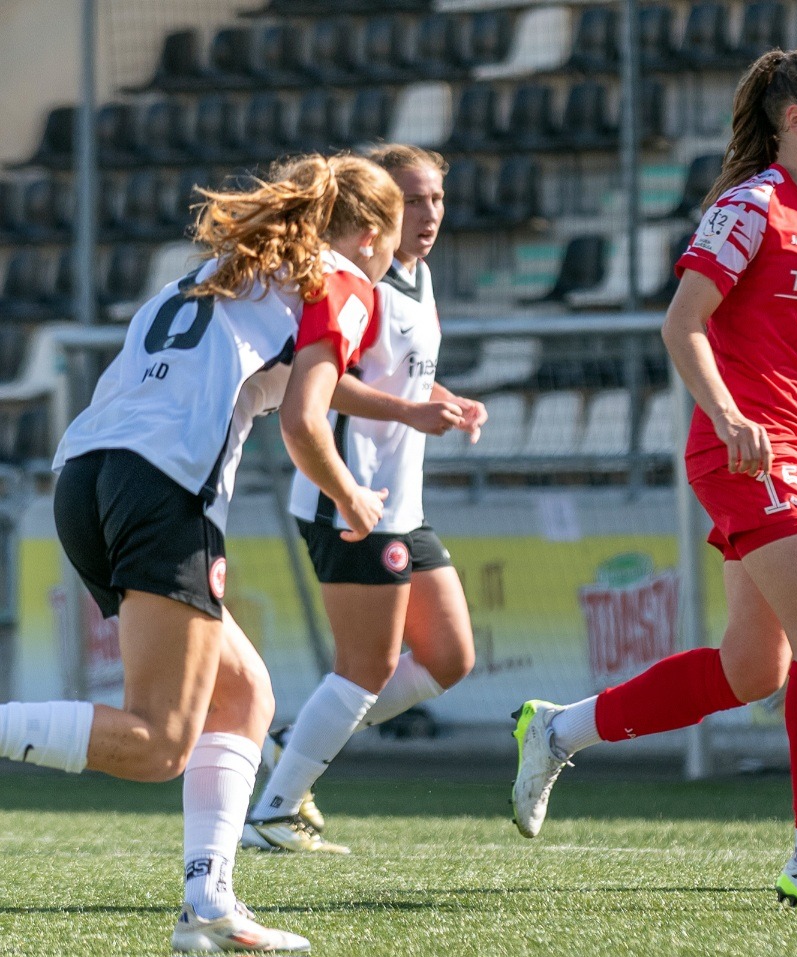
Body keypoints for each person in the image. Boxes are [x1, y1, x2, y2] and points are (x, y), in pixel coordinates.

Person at [508, 45, 797, 912]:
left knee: (754, 668)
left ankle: (557, 730)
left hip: (795, 458)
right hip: (741, 454)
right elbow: (682, 326)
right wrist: (728, 418)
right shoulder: (749, 208)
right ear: (794, 120)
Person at [3, 153, 403, 952]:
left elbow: (275, 380)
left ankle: (208, 906)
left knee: (245, 694)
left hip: (87, 476)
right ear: (369, 235)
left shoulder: (229, 268)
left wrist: (405, 408)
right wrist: (353, 496)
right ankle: (206, 905)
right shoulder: (346, 279)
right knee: (158, 744)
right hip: (163, 487)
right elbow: (304, 419)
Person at [244, 144, 488, 854]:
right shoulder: (360, 282)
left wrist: (442, 399)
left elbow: (398, 378)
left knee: (448, 657)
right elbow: (319, 385)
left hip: (400, 505)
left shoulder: (415, 275)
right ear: (378, 209)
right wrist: (410, 413)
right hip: (346, 496)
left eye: (437, 198)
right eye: (413, 200)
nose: (429, 213)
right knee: (366, 668)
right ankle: (276, 811)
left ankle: (298, 741)